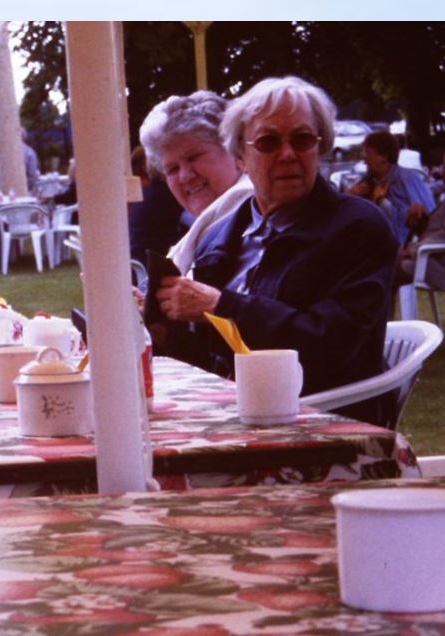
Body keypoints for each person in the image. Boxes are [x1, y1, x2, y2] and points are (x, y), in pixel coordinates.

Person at [153, 76, 398, 425]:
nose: (287, 154)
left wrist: (221, 307)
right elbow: (211, 355)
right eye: (268, 142)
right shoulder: (221, 235)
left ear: (320, 147)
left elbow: (330, 343)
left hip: (325, 421)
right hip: (236, 414)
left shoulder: (358, 228)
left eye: (301, 139)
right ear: (240, 155)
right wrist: (162, 322)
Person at [139, 90, 252, 274]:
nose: (184, 176)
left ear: (236, 152)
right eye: (172, 169)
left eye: (193, 157)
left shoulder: (254, 211)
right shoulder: (212, 224)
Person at [349, 130, 435, 246]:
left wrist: (382, 202)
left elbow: (427, 217)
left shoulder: (406, 178)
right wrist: (351, 195)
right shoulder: (368, 181)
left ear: (384, 157)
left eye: (368, 152)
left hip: (397, 247)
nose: (363, 158)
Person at [397, 145, 445, 292]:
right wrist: (422, 219)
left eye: (443, 167)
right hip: (433, 260)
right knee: (386, 264)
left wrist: (413, 249)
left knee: (385, 268)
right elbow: (440, 229)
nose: (439, 171)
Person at [127, 145, 185, 266]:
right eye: (174, 168)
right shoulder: (163, 193)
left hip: (136, 263)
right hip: (151, 267)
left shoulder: (149, 192)